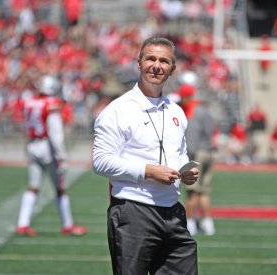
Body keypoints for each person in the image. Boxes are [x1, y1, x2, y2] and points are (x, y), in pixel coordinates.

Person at [93, 36, 199, 275]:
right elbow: (100, 162)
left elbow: (178, 153)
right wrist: (148, 171)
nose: (156, 65)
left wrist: (185, 171)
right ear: (138, 63)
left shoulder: (176, 110)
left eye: (164, 61)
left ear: (172, 69)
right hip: (134, 211)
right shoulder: (117, 110)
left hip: (173, 210)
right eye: (150, 58)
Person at [16, 75, 87, 237]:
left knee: (33, 186)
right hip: (47, 147)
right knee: (60, 188)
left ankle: (22, 224)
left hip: (32, 144)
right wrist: (61, 155)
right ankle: (67, 225)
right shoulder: (51, 104)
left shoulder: (29, 102)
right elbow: (55, 132)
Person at [177, 83, 216, 236]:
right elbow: (210, 131)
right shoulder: (205, 110)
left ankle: (190, 224)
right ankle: (208, 224)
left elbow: (192, 138)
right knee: (204, 192)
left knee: (192, 193)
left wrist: (188, 158)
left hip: (198, 153)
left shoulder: (192, 111)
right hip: (208, 152)